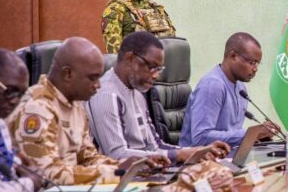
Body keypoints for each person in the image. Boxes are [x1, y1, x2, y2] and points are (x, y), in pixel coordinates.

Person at [8, 38, 152, 185]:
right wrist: (114, 173)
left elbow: (88, 158)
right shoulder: (37, 108)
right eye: (92, 78)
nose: (98, 85)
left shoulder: (75, 104)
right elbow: (46, 174)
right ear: (68, 74)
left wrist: (129, 166)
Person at [87, 32, 229, 164]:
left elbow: (155, 146)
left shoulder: (138, 91)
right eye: (152, 67)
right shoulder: (107, 95)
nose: (156, 76)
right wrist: (179, 155)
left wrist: (198, 152)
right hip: (120, 178)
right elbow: (116, 155)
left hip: (148, 171)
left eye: (159, 69)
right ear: (130, 59)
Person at [180, 32, 276, 148]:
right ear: (233, 56)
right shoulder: (212, 85)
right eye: (251, 62)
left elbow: (232, 134)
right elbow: (201, 138)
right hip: (200, 157)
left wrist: (260, 136)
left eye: (257, 64)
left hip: (229, 154)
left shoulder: (241, 88)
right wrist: (250, 134)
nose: (255, 69)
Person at [0, 49, 43, 192]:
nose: (15, 101)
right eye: (10, 91)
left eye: (21, 95)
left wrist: (19, 165)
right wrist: (31, 183)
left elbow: (6, 174)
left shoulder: (0, 122)